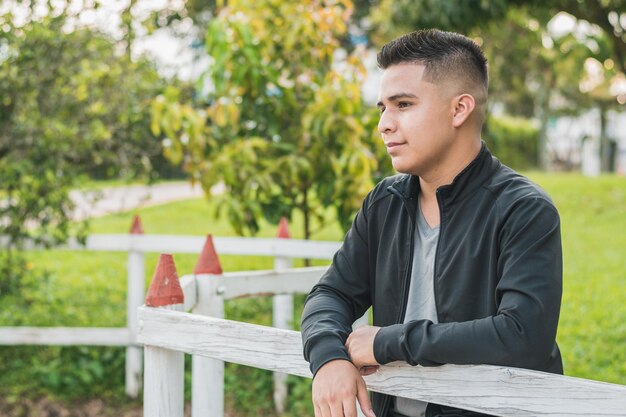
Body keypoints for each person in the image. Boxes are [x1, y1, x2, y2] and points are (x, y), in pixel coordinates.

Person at [300, 29, 563, 417]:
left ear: (460, 109)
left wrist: (388, 342)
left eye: (403, 104)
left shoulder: (524, 210)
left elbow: (522, 337)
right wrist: (328, 358)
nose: (384, 125)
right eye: (382, 108)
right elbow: (331, 295)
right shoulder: (383, 203)